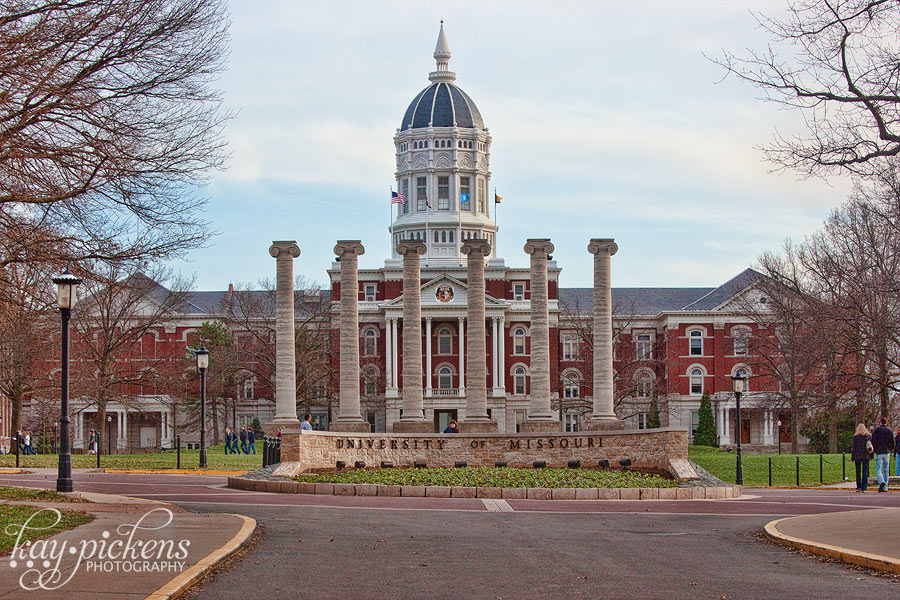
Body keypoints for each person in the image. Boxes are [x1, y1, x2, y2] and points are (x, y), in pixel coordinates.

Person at [872, 417, 894, 492]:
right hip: (886, 452)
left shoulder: (876, 431)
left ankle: (881, 481)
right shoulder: (890, 431)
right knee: (886, 469)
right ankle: (885, 487)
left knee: (878, 468)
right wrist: (890, 449)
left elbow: (873, 441)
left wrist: (874, 449)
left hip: (878, 452)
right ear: (886, 423)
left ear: (880, 422)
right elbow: (893, 443)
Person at [852, 423, 873, 493]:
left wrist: (852, 457)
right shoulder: (867, 436)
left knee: (858, 472)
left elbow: (854, 448)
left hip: (857, 456)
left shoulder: (855, 437)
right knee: (865, 472)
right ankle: (864, 487)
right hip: (865, 456)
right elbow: (870, 447)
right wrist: (871, 456)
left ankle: (858, 486)